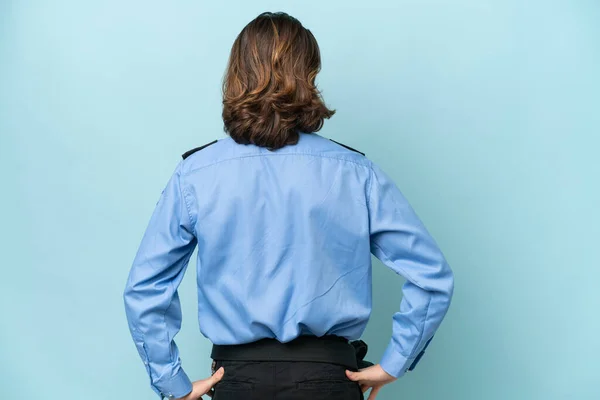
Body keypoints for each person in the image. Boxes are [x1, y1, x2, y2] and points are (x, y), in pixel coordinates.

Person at [123, 11, 454, 400]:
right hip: (329, 381)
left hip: (238, 382)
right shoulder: (355, 172)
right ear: (308, 78)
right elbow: (431, 277)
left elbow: (145, 288)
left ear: (237, 77)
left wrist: (171, 383)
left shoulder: (196, 173)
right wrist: (395, 362)